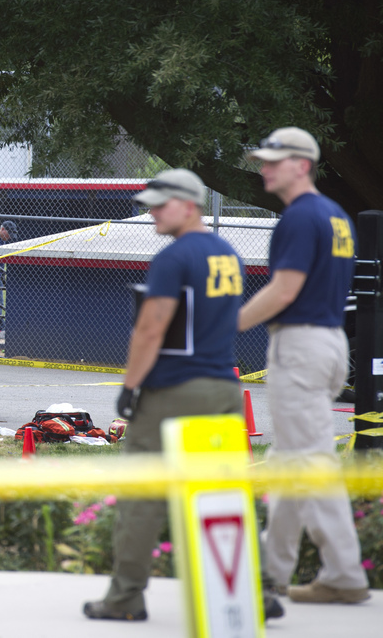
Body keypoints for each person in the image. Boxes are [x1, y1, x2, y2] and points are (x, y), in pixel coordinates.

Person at [83, 169, 278, 621]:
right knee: (226, 492)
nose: (151, 210)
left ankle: (125, 597)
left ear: (188, 205)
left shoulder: (174, 258)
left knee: (141, 495)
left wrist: (130, 387)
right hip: (223, 386)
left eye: (160, 203)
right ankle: (258, 589)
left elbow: (152, 328)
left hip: (173, 390)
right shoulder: (228, 254)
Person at [239, 127, 369, 604]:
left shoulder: (299, 217)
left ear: (302, 164)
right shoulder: (336, 217)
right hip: (331, 342)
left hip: (300, 345)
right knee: (291, 462)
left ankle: (345, 574)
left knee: (312, 463)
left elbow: (284, 290)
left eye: (274, 160)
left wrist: (224, 324)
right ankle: (271, 575)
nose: (264, 168)